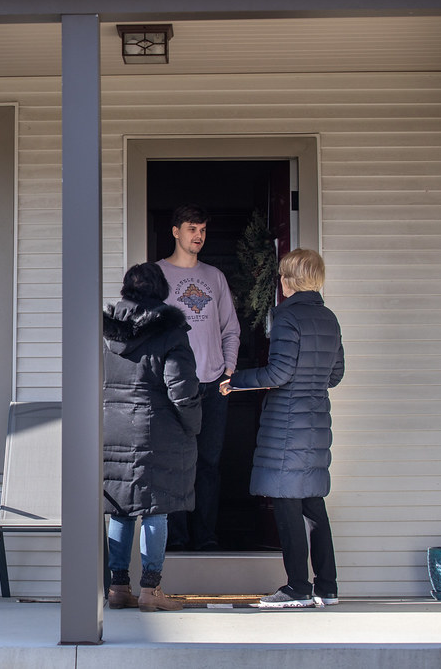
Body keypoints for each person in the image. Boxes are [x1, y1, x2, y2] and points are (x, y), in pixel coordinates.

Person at [220, 248, 345, 609]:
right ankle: (328, 587)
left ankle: (297, 589)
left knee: (287, 504)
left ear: (288, 281)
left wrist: (234, 380)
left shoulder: (287, 319)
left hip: (288, 423)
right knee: (312, 505)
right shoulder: (329, 319)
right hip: (317, 418)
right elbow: (335, 375)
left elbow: (278, 374)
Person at [102, 263, 201, 612]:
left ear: (128, 291)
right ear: (161, 292)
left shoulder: (107, 331)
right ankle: (150, 589)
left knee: (120, 509)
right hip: (157, 430)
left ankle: (117, 588)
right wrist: (193, 425)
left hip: (112, 427)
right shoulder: (170, 333)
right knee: (155, 509)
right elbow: (183, 391)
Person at [156, 203, 240, 551]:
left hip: (213, 383)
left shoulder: (214, 277)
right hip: (173, 387)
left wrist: (229, 368)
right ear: (176, 231)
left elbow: (230, 329)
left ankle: (206, 537)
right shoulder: (157, 274)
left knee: (209, 463)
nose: (199, 236)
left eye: (203, 230)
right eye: (192, 229)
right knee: (175, 463)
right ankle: (175, 539)